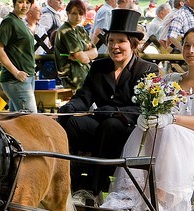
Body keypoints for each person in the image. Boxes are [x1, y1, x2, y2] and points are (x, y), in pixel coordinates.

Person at [101, 26, 194, 211]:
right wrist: (146, 116)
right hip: (170, 134)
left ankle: (161, 198)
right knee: (145, 128)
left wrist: (172, 118)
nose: (190, 51)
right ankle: (131, 192)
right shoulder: (171, 80)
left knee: (170, 131)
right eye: (186, 46)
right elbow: (157, 111)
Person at [58, 9, 159, 194]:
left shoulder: (147, 69)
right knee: (71, 122)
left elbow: (143, 108)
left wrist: (112, 111)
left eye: (121, 41)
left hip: (130, 130)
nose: (115, 46)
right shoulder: (99, 67)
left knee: (111, 124)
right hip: (101, 124)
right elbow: (84, 97)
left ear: (133, 44)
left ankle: (94, 188)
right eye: (111, 41)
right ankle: (68, 183)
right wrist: (67, 109)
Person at [0, 0, 38, 112]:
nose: (25, 5)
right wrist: (16, 72)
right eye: (20, 2)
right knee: (31, 119)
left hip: (26, 77)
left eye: (28, 2)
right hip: (15, 79)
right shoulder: (9, 21)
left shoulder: (20, 21)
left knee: (16, 121)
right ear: (14, 3)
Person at [54, 0, 98, 92]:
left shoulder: (80, 30)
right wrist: (85, 56)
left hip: (85, 76)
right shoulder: (66, 31)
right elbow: (83, 59)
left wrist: (83, 55)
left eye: (81, 14)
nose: (78, 17)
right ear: (67, 13)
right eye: (74, 13)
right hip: (72, 80)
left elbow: (95, 53)